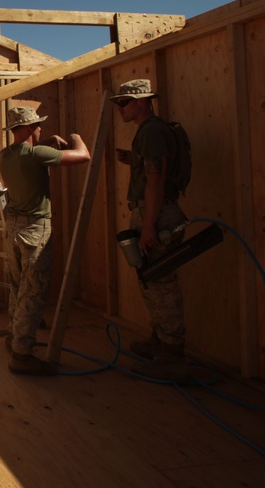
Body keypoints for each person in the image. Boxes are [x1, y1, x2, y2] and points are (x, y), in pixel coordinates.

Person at [0, 105, 91, 375]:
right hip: (34, 231)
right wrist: (74, 135)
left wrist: (49, 143)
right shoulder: (36, 154)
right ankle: (22, 355)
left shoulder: (6, 155)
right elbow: (83, 155)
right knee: (34, 292)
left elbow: (36, 155)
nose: (41, 129)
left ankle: (12, 338)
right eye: (37, 126)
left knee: (17, 288)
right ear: (27, 128)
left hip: (12, 230)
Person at [111, 78, 190, 382]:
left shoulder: (154, 132)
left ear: (142, 102)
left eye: (124, 103)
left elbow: (156, 179)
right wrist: (132, 160)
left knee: (161, 283)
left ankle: (172, 354)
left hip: (155, 215)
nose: (120, 109)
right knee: (151, 280)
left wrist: (148, 227)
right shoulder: (150, 133)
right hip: (152, 212)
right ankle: (160, 341)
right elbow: (154, 168)